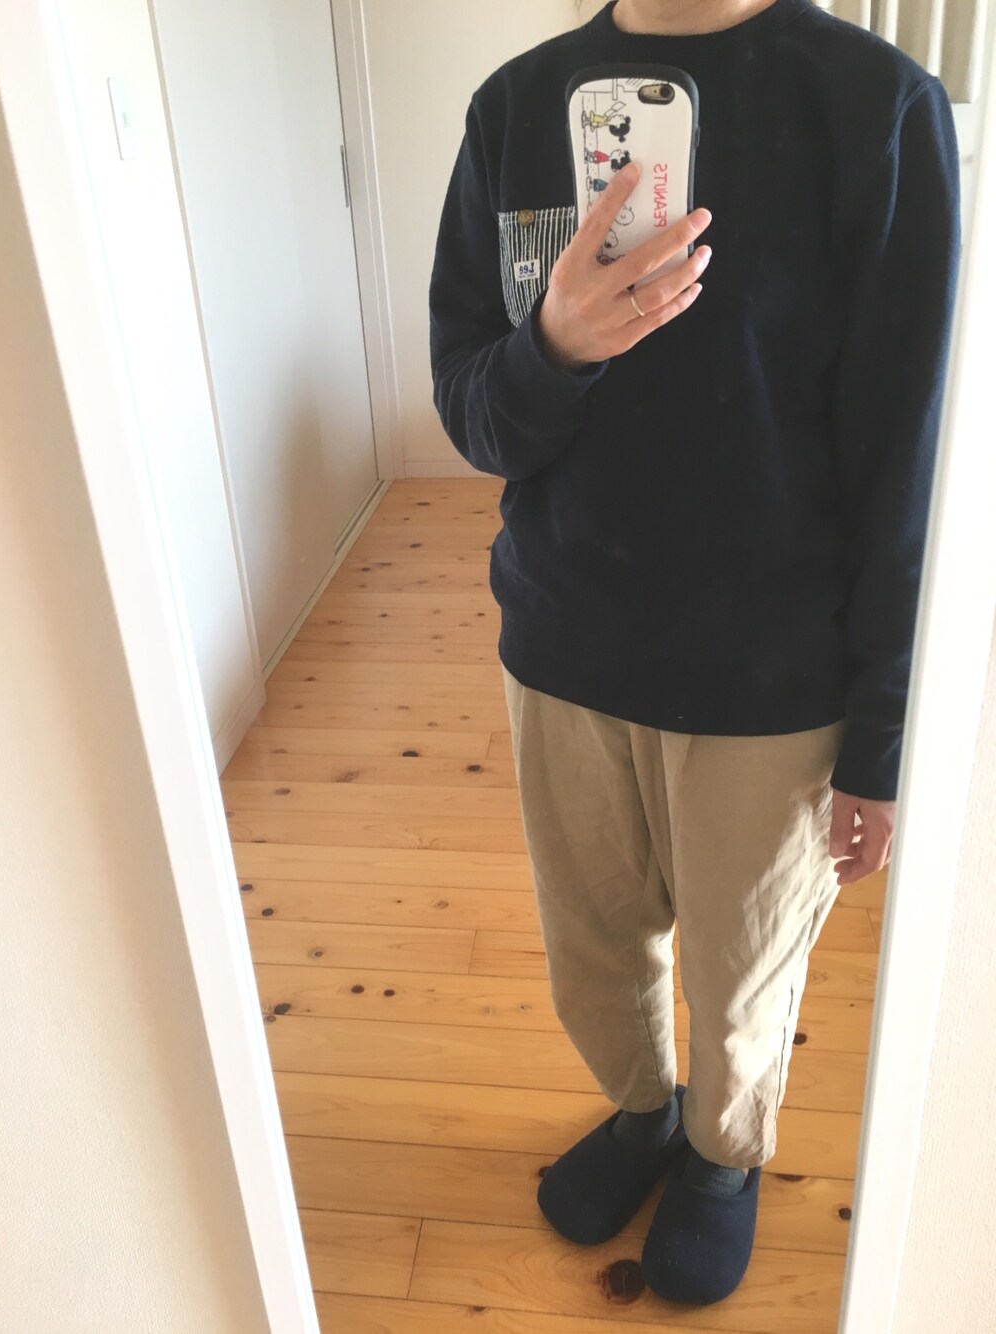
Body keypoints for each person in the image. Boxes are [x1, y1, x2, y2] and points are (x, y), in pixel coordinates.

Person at [428, 0, 961, 1307]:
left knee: (741, 979)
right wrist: (554, 348)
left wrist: (884, 736)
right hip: (564, 642)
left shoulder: (876, 110)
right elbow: (474, 412)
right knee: (594, 954)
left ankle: (723, 1156)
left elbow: (907, 464)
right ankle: (640, 1114)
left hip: (771, 677)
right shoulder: (517, 110)